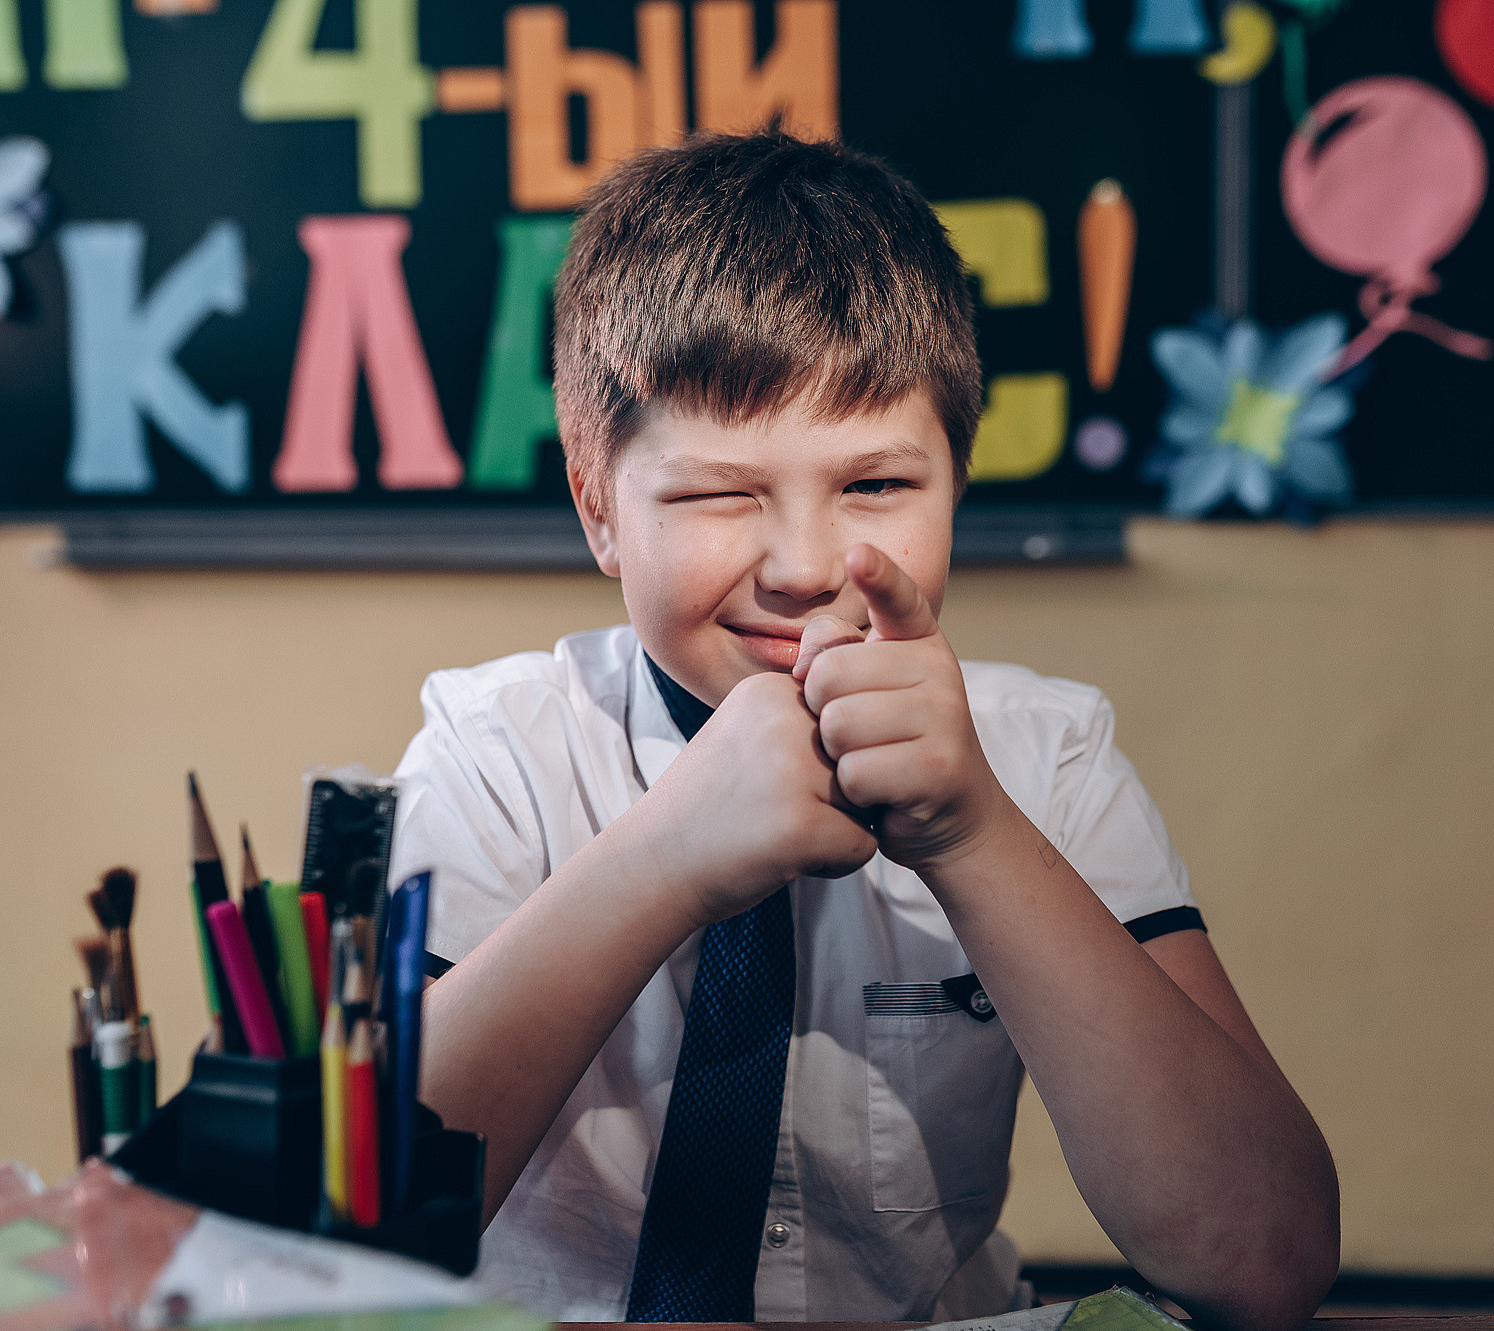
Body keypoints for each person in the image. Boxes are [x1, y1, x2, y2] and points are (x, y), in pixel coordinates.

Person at [395, 128, 1338, 1330]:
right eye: (717, 493)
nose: (800, 568)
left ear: (957, 481)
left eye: (877, 486)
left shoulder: (1043, 755)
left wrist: (974, 835)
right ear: (599, 507)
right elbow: (367, 1222)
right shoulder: (491, 752)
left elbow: (1264, 1257)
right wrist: (662, 857)